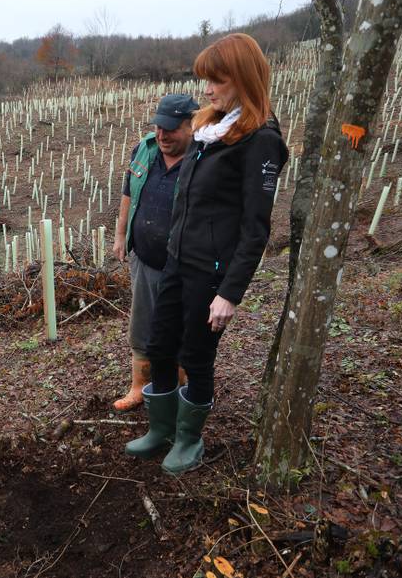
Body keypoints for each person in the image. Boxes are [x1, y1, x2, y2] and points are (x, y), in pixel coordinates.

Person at [125, 34, 288, 474]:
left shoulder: (260, 142)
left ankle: (188, 439)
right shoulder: (208, 129)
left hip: (212, 272)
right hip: (178, 261)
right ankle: (159, 430)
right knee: (160, 346)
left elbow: (256, 229)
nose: (208, 90)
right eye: (206, 80)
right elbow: (187, 199)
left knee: (195, 358)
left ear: (243, 79)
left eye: (216, 80)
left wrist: (229, 292)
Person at [112, 94, 199, 412]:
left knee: (178, 328)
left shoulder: (203, 158)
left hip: (184, 264)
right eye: (159, 127)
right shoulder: (145, 149)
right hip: (146, 258)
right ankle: (139, 387)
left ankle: (176, 386)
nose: (162, 135)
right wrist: (121, 234)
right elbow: (127, 192)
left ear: (191, 125)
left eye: (171, 129)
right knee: (143, 324)